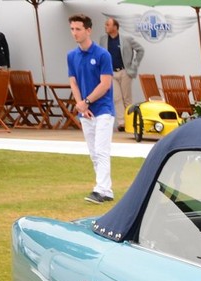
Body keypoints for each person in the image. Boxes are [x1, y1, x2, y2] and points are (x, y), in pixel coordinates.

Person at [67, 14, 115, 204]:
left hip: (103, 109)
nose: (74, 33)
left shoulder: (103, 55)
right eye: (72, 29)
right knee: (94, 153)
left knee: (101, 150)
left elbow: (105, 84)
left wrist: (86, 101)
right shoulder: (71, 56)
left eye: (78, 29)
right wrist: (80, 104)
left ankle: (100, 190)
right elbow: (73, 82)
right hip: (85, 111)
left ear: (88, 30)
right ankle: (106, 190)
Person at [100, 17, 145, 131]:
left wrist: (134, 65)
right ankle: (122, 123)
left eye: (108, 24)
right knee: (116, 98)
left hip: (125, 71)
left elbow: (140, 50)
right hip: (110, 73)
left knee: (127, 98)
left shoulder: (127, 39)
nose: (105, 26)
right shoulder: (103, 39)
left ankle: (131, 121)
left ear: (115, 27)